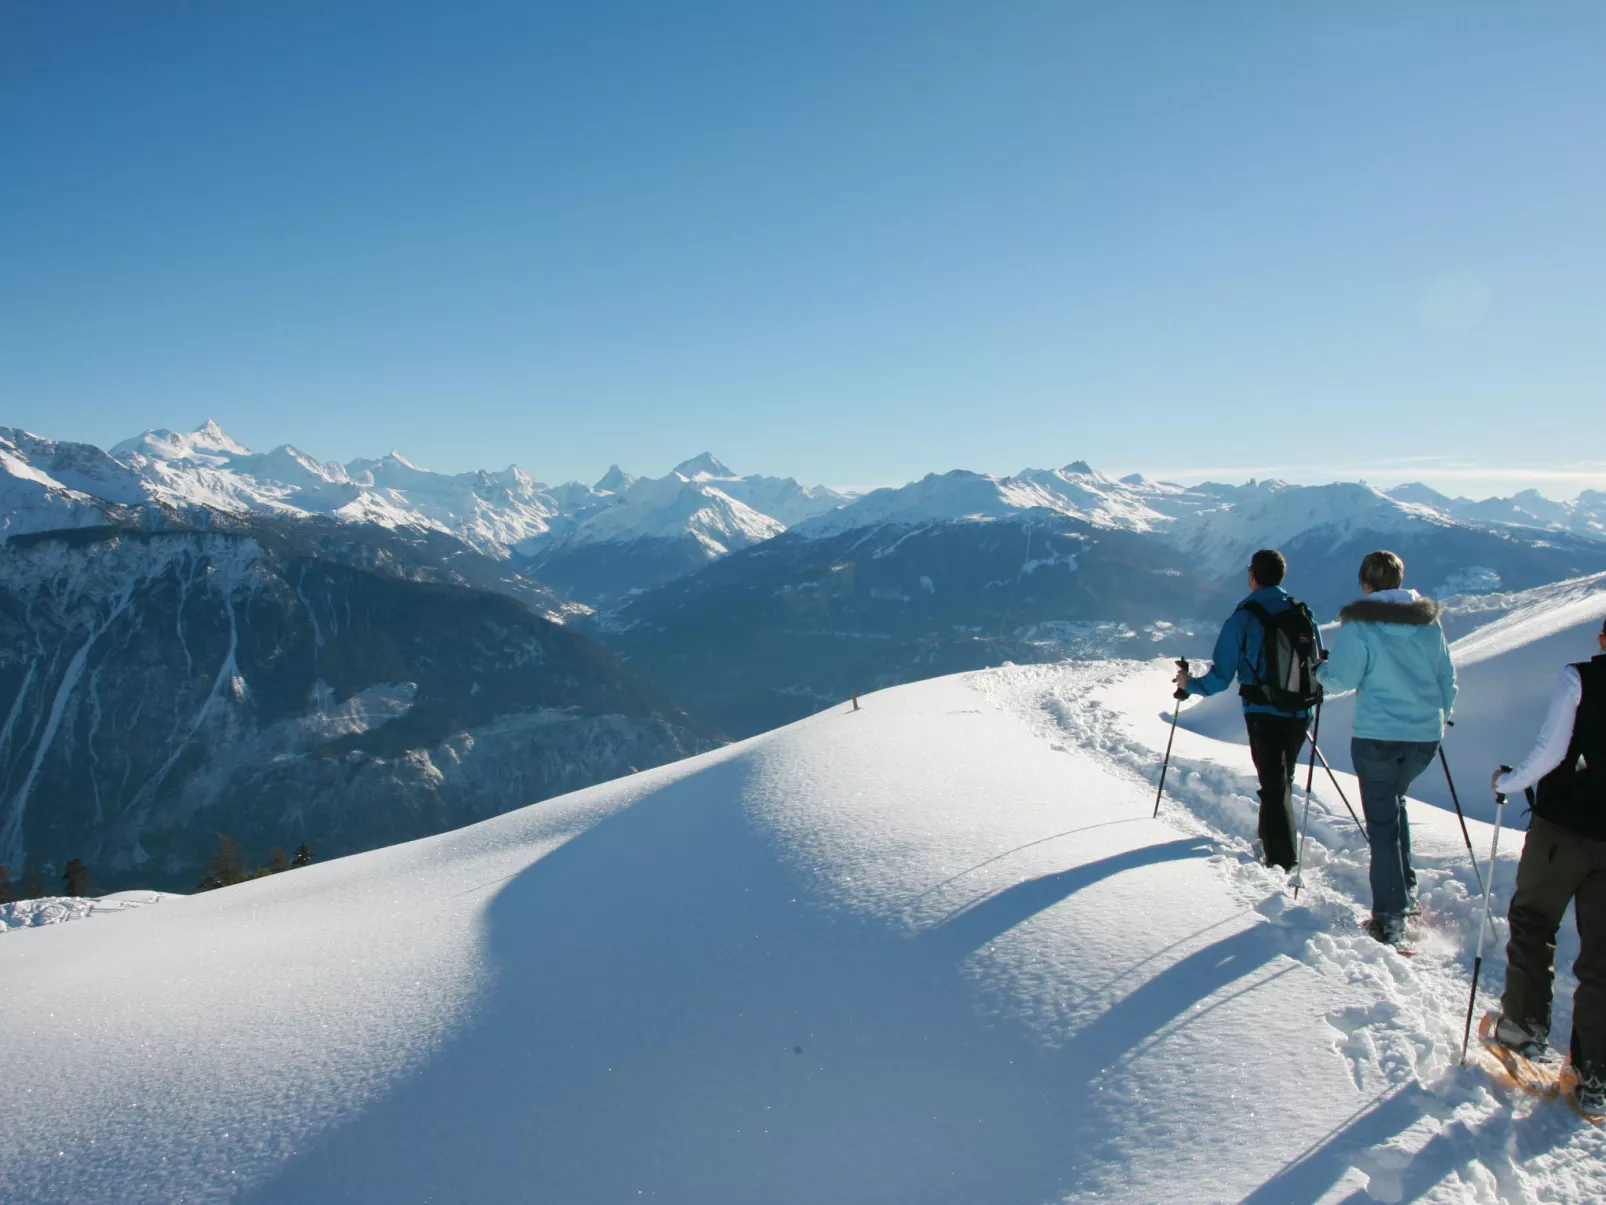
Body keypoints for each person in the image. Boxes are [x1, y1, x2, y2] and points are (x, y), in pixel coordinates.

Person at [1486, 617, 1606, 1118]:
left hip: (1563, 828)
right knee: (1603, 957)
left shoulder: (1579, 678)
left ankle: (1524, 1028)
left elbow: (1552, 752)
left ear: (1604, 640)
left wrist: (1508, 782)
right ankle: (1594, 1074)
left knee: (1534, 921)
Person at [1315, 550, 1456, 947]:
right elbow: (1446, 674)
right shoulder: (1428, 623)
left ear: (1366, 583)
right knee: (1395, 805)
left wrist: (1318, 672)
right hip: (1424, 737)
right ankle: (1405, 895)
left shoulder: (1362, 624)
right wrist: (1443, 717)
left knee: (1381, 823)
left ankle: (1389, 918)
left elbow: (1342, 678)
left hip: (1377, 735)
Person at [1174, 548, 1320, 871]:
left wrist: (1189, 684)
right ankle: (1269, 844)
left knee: (1273, 784)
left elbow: (1221, 677)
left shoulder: (1243, 618)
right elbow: (1316, 662)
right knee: (1280, 782)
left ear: (1253, 575)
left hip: (1263, 712)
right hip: (1299, 712)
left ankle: (1282, 863)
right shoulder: (1302, 611)